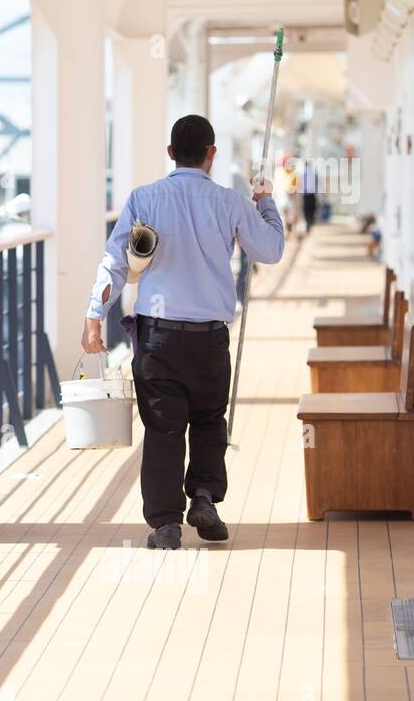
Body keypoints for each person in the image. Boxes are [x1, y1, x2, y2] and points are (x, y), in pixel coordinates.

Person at [82, 115, 285, 549]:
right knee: (210, 420)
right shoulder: (230, 202)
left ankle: (166, 524)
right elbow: (270, 250)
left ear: (171, 153)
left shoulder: (144, 198)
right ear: (212, 154)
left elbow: (114, 263)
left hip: (158, 338)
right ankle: (205, 499)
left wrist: (94, 315)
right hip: (209, 338)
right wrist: (265, 201)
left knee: (163, 429)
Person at [301, 158, 320, 232]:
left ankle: (309, 223)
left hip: (308, 194)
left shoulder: (310, 173)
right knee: (310, 209)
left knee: (308, 209)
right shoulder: (305, 173)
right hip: (309, 194)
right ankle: (309, 223)